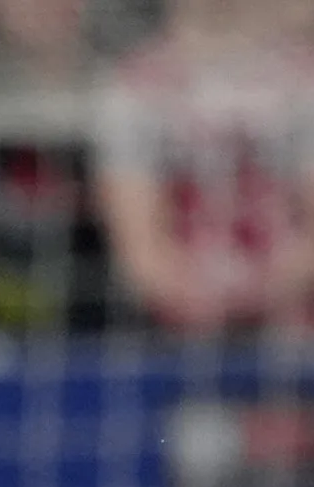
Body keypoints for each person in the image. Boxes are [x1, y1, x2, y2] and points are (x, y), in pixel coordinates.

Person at [94, 0, 314, 336]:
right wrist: (202, 296)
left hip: (295, 336)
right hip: (179, 340)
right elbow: (140, 249)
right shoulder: (134, 87)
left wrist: (264, 287)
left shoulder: (303, 79)